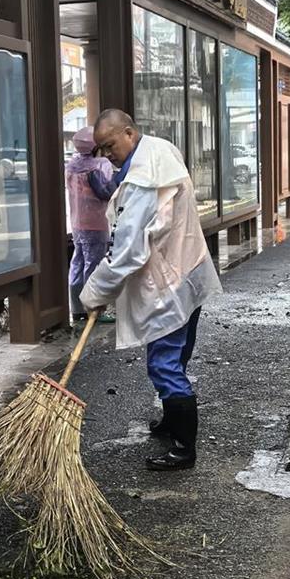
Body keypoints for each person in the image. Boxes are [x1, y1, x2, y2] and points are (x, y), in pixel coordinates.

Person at [79, 109, 222, 472]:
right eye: (100, 149)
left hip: (168, 284)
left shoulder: (143, 179)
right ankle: (173, 422)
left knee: (164, 364)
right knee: (176, 357)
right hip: (187, 270)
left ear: (129, 133)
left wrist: (93, 293)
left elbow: (126, 252)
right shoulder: (160, 150)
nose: (106, 154)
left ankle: (183, 449)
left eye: (110, 145)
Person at [65, 129, 114, 327]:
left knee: (78, 263)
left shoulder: (72, 166)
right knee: (93, 266)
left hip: (78, 223)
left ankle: (77, 309)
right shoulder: (99, 166)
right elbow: (106, 193)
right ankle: (93, 308)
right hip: (96, 223)